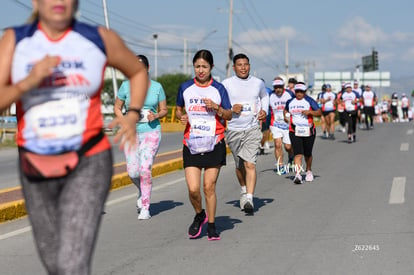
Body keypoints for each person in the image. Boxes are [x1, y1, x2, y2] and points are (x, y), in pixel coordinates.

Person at [0, 0, 149, 274]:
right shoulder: (16, 40)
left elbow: (137, 71)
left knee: (71, 262)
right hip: (35, 162)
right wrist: (28, 82)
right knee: (54, 259)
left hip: (88, 158)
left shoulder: (97, 38)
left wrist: (132, 114)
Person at [176, 49, 232, 240]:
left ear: (211, 68)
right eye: (197, 66)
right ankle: (200, 214)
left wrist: (216, 108)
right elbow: (177, 110)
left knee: (209, 186)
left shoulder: (218, 89)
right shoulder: (185, 87)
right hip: (191, 142)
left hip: (214, 141)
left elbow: (229, 115)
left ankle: (212, 225)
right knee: (193, 189)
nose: (201, 70)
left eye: (204, 67)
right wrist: (181, 117)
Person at [114, 54, 167, 220]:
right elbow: (117, 107)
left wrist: (156, 115)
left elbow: (164, 109)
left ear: (147, 68)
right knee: (133, 172)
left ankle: (145, 207)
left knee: (145, 169)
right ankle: (141, 189)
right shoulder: (125, 86)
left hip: (151, 131)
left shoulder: (157, 87)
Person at [222, 53, 269, 214]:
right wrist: (230, 109)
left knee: (250, 163)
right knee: (239, 165)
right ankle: (243, 188)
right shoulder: (226, 83)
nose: (243, 67)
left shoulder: (258, 83)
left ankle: (249, 197)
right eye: (239, 65)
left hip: (252, 128)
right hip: (234, 130)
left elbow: (265, 97)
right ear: (234, 67)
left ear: (249, 66)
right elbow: (221, 105)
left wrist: (265, 110)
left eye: (246, 64)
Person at [284, 82, 321, 184]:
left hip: (308, 131)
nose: (299, 94)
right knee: (298, 153)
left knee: (307, 154)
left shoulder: (309, 101)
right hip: (294, 130)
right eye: (297, 91)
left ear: (305, 92)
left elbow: (319, 112)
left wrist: (310, 112)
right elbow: (285, 110)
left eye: (301, 92)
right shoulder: (290, 101)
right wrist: (285, 117)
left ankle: (308, 171)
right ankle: (298, 175)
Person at [268, 76, 294, 175]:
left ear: (283, 86)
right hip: (275, 124)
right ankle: (280, 166)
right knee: (278, 145)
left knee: (288, 147)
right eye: (276, 87)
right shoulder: (270, 95)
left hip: (287, 124)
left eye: (279, 87)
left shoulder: (289, 94)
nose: (278, 89)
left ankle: (291, 157)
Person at [259, 80, 273, 154]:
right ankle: (261, 144)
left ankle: (264, 142)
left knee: (266, 130)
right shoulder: (254, 90)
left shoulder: (268, 90)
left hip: (267, 113)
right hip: (256, 113)